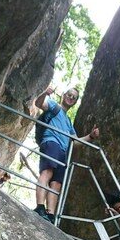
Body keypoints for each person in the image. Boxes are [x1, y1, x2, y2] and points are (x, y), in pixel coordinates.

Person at [33, 86, 99, 224]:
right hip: (51, 143)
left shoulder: (69, 122)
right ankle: (40, 207)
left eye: (74, 97)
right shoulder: (53, 106)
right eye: (69, 94)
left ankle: (50, 215)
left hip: (63, 151)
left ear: (75, 103)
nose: (70, 98)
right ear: (64, 95)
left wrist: (91, 136)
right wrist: (45, 93)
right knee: (47, 172)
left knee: (57, 183)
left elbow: (74, 142)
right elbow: (38, 104)